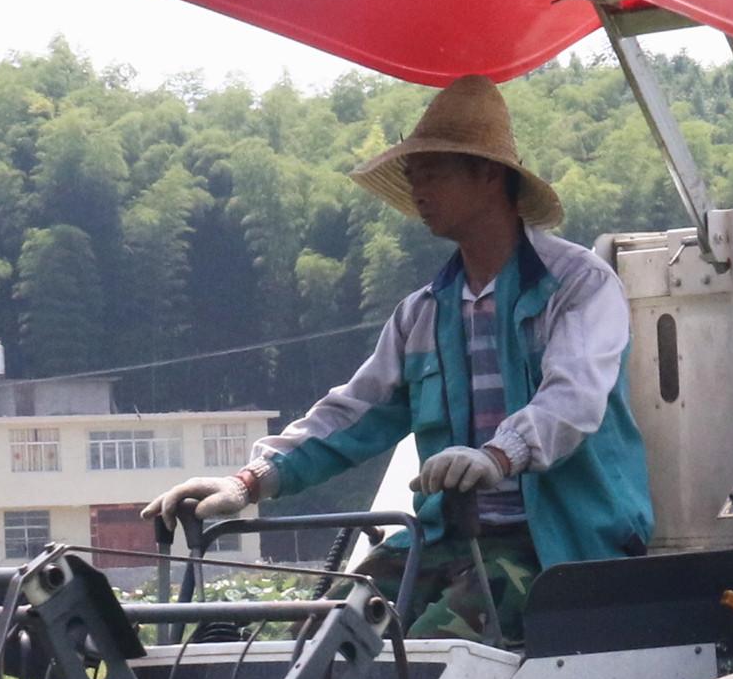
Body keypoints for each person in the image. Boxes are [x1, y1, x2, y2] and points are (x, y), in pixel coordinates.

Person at [146, 76, 650, 641]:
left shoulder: (578, 286)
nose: (418, 192)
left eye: (431, 174)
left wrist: (497, 456)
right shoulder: (424, 315)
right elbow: (352, 414)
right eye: (412, 178)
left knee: (425, 658)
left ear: (487, 174)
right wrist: (249, 481)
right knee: (319, 642)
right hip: (443, 539)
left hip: (556, 545)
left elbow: (573, 399)